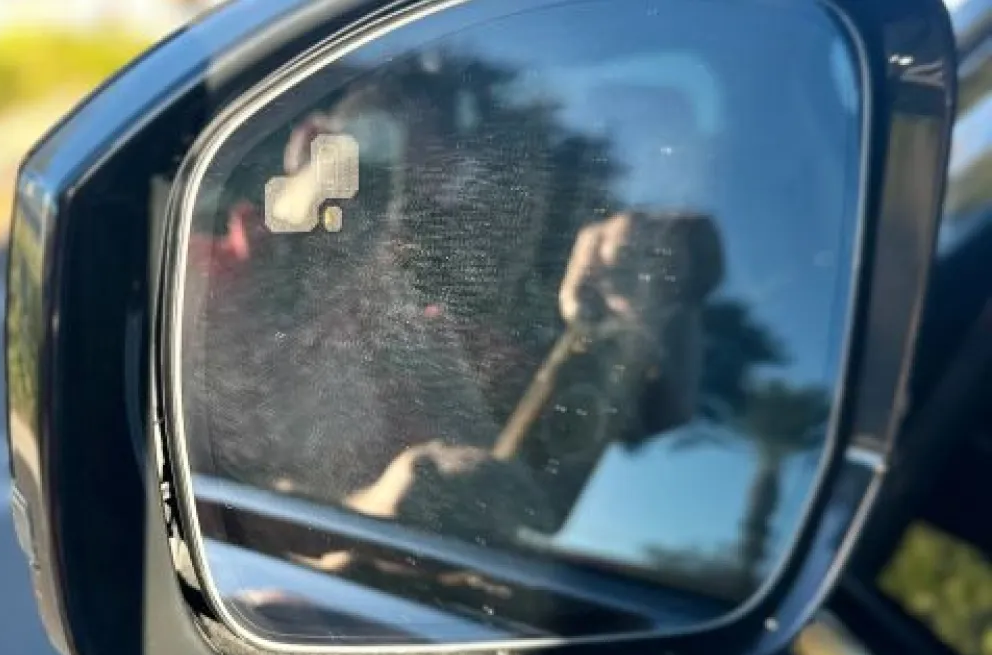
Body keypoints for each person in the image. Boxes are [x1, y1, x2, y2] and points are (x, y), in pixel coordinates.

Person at [185, 50, 723, 552]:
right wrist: (369, 513)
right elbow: (162, 501)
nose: (385, 210)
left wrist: (656, 292)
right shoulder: (195, 282)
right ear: (307, 144)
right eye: (367, 167)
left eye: (420, 195)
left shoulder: (439, 344)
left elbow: (652, 416)